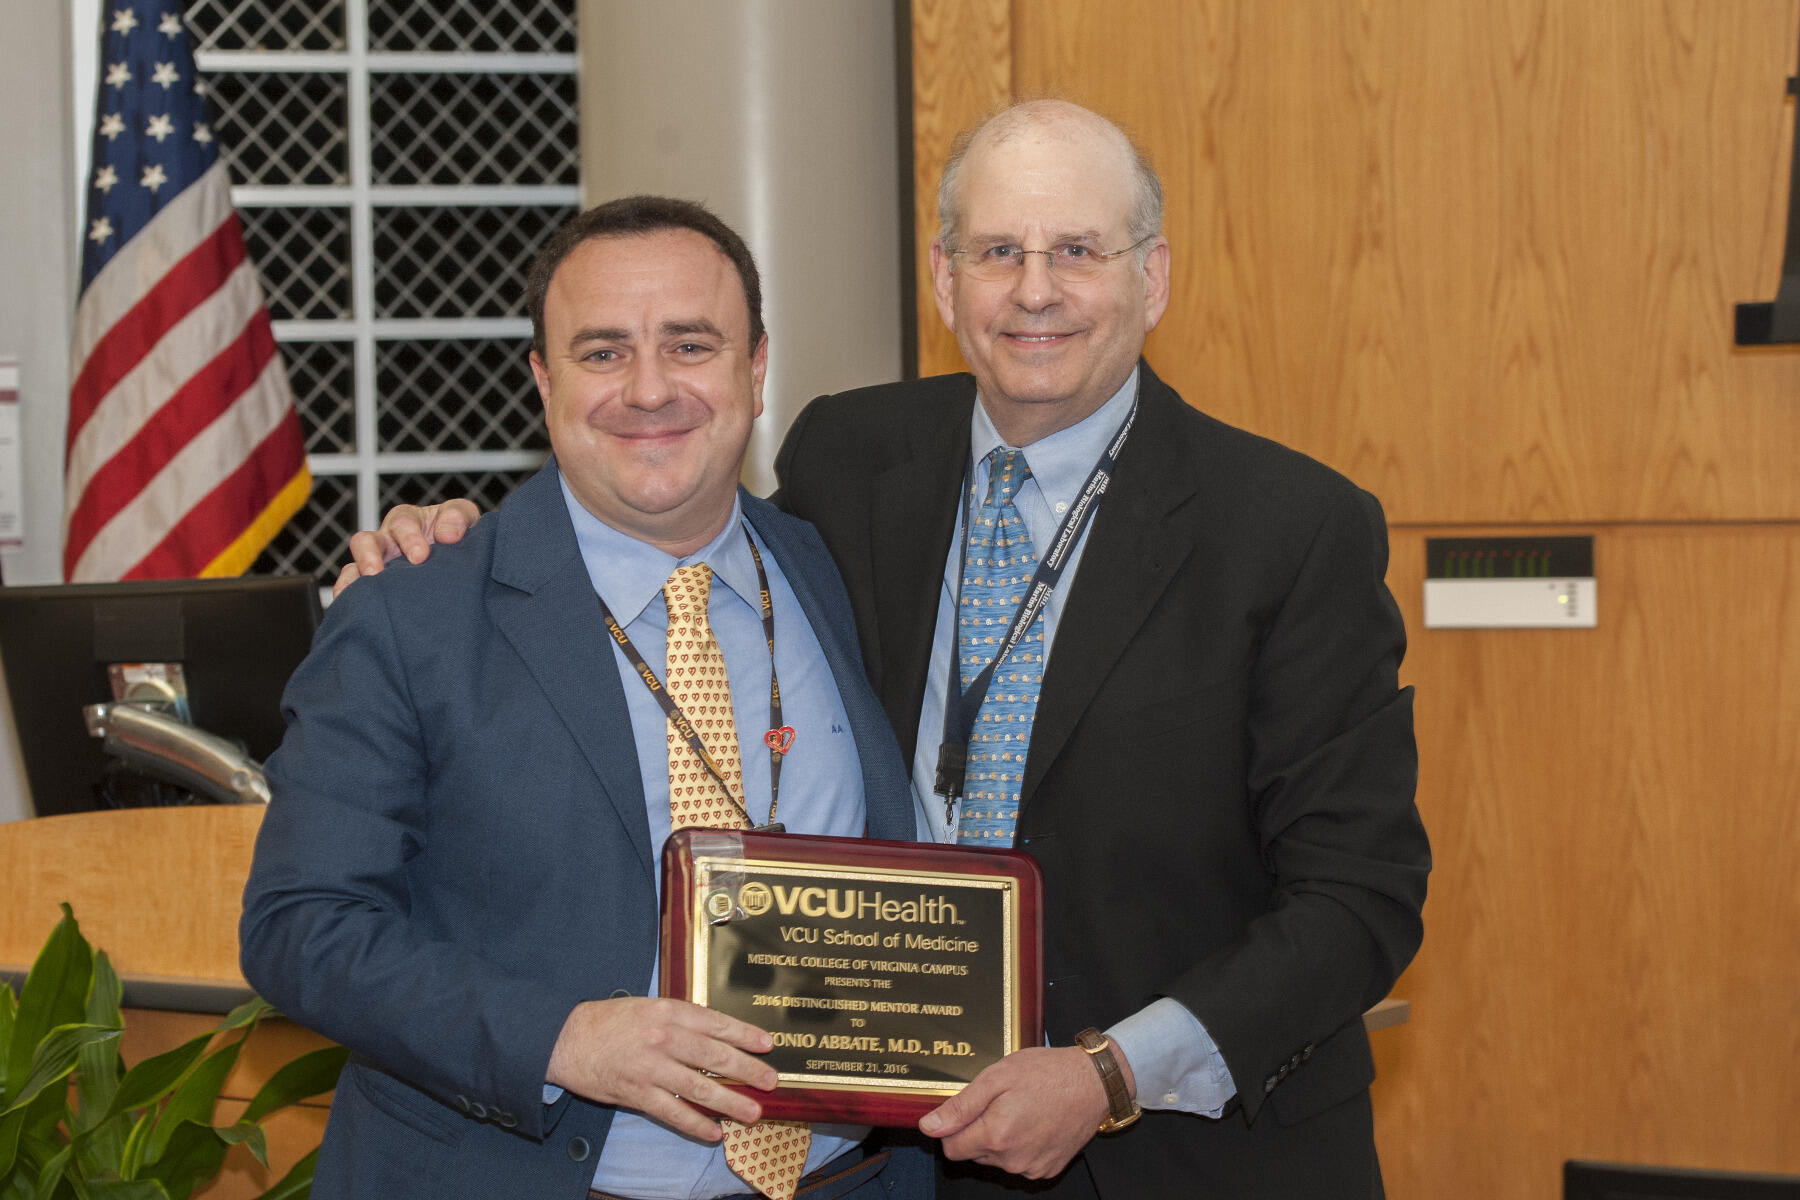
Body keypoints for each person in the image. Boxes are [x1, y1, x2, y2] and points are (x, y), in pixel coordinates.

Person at [343, 101, 1430, 1199]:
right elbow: (667, 537)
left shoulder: (1291, 529)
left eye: (1078, 252)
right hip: (905, 1155)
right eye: (998, 251)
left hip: (1183, 1156)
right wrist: (448, 543)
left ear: (1151, 280)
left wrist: (1109, 1073)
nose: (1036, 289)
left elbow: (1361, 897)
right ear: (946, 282)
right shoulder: (851, 457)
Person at [240, 196, 933, 1200]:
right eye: (603, 352)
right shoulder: (416, 612)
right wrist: (558, 1039)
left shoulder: (832, 564)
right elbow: (301, 925)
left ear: (756, 366)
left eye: (690, 344)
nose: (649, 389)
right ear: (542, 378)